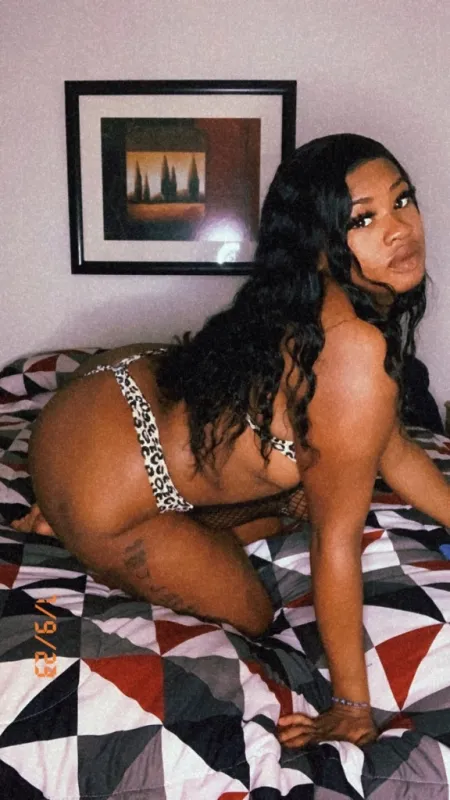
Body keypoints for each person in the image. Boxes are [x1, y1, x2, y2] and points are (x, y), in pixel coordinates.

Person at [13, 133, 450, 749]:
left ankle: (72, 508)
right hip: (96, 483)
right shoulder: (353, 350)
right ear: (317, 247)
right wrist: (352, 706)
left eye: (402, 200)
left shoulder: (304, 305)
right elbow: (335, 540)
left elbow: (394, 447)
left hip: (100, 395)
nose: (399, 228)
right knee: (252, 613)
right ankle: (62, 523)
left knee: (294, 500)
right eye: (363, 219)